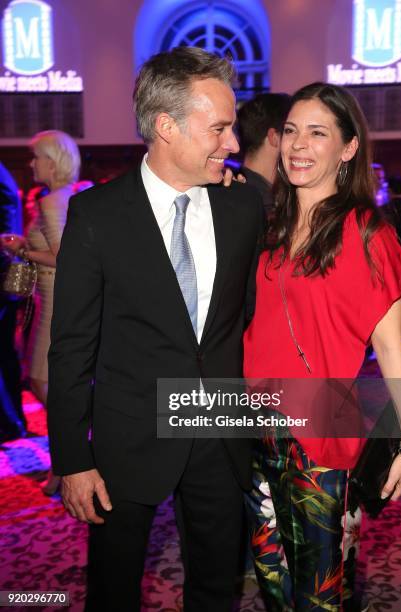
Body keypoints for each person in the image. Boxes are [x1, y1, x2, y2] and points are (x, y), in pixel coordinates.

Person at [47, 46, 264, 611]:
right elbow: (71, 349)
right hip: (127, 439)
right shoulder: (97, 216)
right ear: (166, 127)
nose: (234, 143)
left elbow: (246, 318)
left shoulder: (244, 211)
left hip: (220, 433)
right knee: (113, 591)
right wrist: (72, 458)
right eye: (219, 128)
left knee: (217, 588)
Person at [243, 82, 401, 610]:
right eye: (291, 131)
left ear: (348, 147)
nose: (298, 145)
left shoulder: (366, 233)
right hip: (251, 427)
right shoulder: (270, 225)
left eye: (317, 133)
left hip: (320, 438)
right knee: (272, 579)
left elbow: (392, 348)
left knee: (320, 592)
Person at [1, 130, 81, 494]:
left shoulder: (53, 203)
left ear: (53, 161)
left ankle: (73, 458)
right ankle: (67, 461)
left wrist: (22, 251)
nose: (30, 164)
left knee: (45, 383)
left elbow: (67, 258)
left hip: (57, 301)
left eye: (36, 157)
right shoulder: (58, 198)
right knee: (45, 383)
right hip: (50, 298)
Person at [0, 162, 26, 443]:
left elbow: (8, 238)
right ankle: (11, 421)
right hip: (8, 276)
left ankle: (9, 422)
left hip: (4, 275)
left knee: (5, 354)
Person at [237, 93, 291, 215]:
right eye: (290, 131)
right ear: (274, 137)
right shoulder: (260, 204)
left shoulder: (239, 189)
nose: (298, 143)